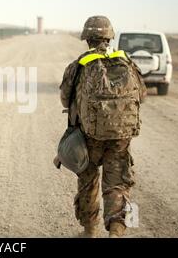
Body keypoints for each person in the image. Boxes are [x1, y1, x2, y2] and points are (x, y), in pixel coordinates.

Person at [59, 16, 147, 238]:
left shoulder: (79, 65)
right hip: (120, 137)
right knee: (117, 184)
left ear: (86, 38)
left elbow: (64, 99)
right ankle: (115, 233)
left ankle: (90, 232)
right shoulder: (127, 61)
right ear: (110, 37)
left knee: (88, 183)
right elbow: (142, 95)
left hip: (88, 137)